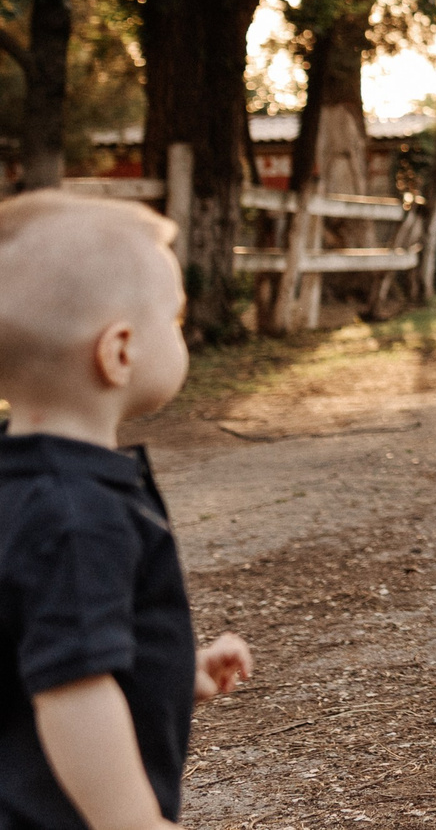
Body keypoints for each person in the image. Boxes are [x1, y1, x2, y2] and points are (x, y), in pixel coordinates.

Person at [0, 193, 255, 830]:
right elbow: (74, 694)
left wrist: (165, 673)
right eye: (172, 320)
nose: (182, 334)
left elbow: (45, 642)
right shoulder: (76, 515)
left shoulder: (27, 485)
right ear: (118, 352)